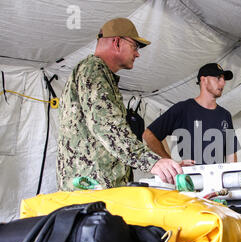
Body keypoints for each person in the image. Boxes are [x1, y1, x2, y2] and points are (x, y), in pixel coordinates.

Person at [57, 17, 183, 191]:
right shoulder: (94, 69)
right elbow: (106, 125)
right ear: (116, 42)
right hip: (92, 190)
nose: (137, 54)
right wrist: (152, 162)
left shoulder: (96, 72)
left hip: (96, 187)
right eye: (135, 46)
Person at [142, 63, 240, 165]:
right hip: (191, 178)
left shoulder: (225, 115)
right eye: (218, 78)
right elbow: (149, 135)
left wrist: (232, 177)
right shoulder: (183, 109)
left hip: (217, 178)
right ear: (204, 80)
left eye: (224, 80)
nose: (223, 83)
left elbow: (231, 153)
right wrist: (171, 163)